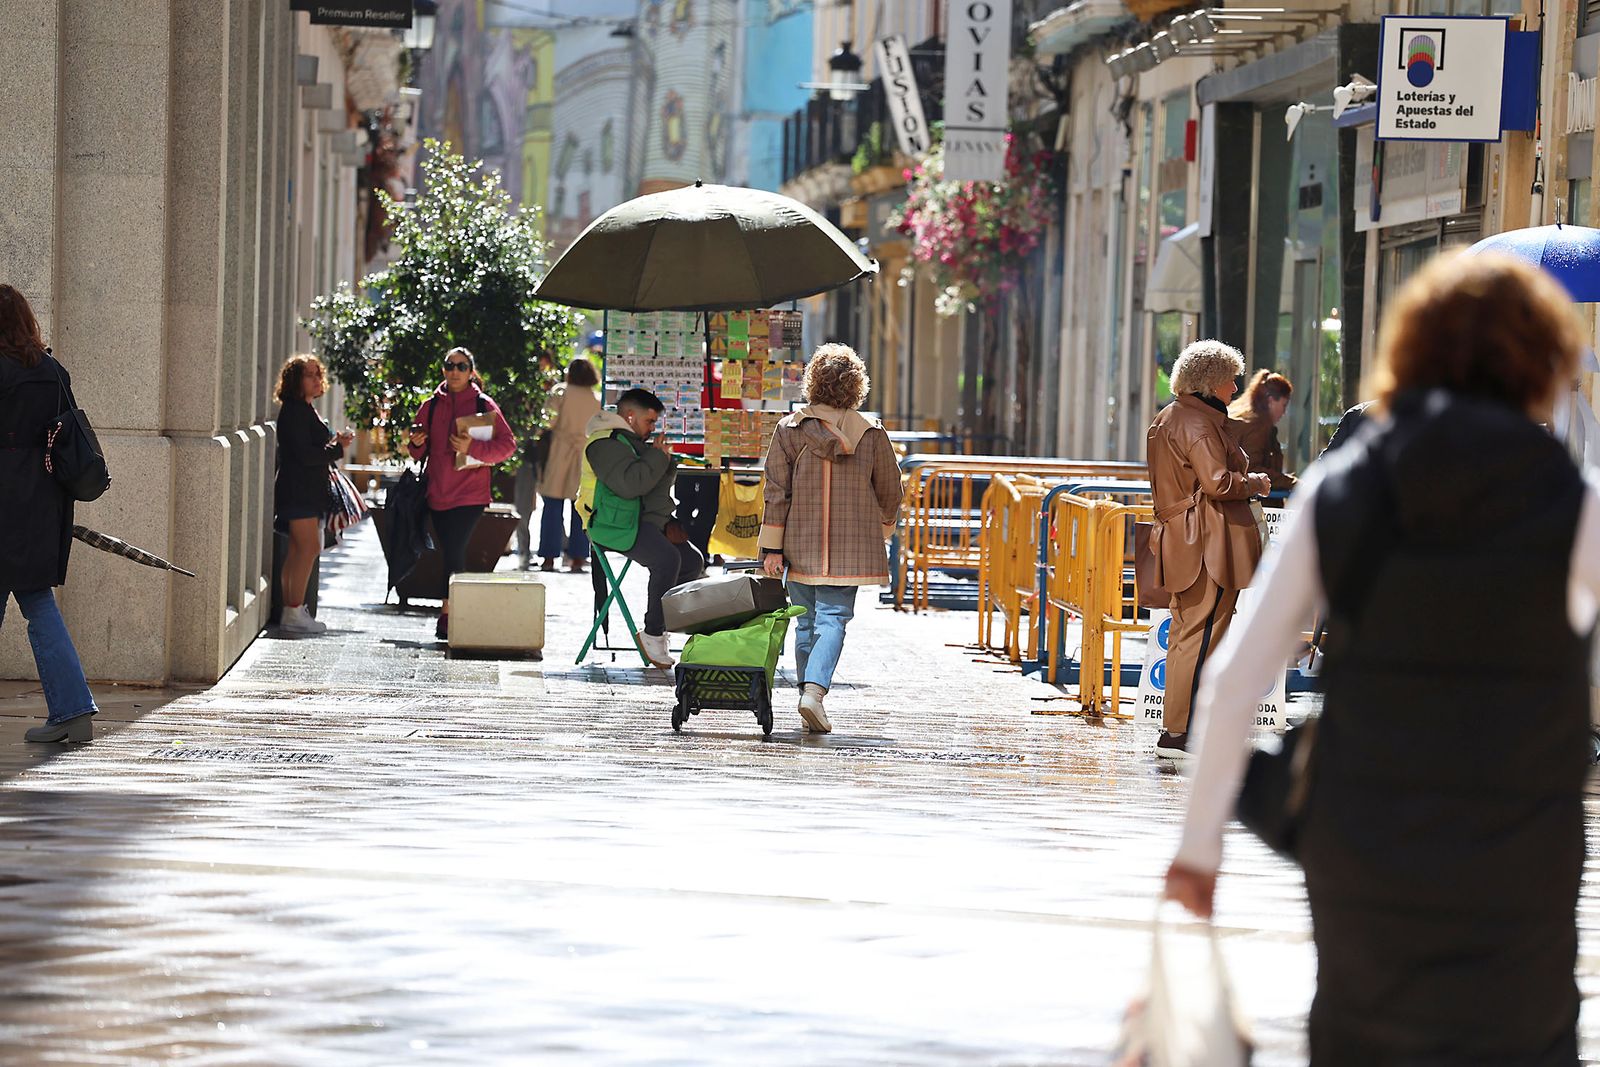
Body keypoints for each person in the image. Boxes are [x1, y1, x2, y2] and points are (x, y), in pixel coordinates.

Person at [1166, 253, 1594, 1063]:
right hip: (1523, 842)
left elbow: (1233, 685)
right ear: (1541, 363)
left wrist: (1197, 855)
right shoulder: (1576, 503)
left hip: (1365, 835)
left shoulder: (1345, 488)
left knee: (1366, 1031)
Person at [760, 344, 903, 734]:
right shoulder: (872, 433)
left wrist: (771, 548)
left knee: (805, 623)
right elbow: (890, 491)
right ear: (856, 385)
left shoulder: (789, 429)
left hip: (799, 541)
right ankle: (814, 694)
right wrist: (882, 529)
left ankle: (808, 694)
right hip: (852, 544)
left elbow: (776, 491)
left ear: (813, 383)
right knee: (834, 619)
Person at [1145, 340, 1270, 760]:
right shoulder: (1198, 424)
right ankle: (1182, 734)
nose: (1235, 389)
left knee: (1189, 635)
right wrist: (1256, 484)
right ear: (1212, 382)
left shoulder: (1172, 417)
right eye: (1231, 381)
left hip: (1186, 539)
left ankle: (1178, 730)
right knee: (1201, 639)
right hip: (1206, 544)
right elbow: (1218, 483)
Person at [0, 285, 99, 743]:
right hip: (42, 506)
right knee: (38, 603)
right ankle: (74, 710)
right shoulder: (53, 372)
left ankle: (73, 710)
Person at [579, 387, 704, 669]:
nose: (652, 429)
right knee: (667, 559)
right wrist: (659, 457)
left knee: (691, 561)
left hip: (634, 520)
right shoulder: (604, 443)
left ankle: (661, 625)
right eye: (649, 422)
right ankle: (653, 632)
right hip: (609, 525)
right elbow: (632, 485)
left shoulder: (628, 441)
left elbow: (648, 487)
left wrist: (666, 520)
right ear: (631, 416)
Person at [406, 347, 517, 640]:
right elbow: (417, 451)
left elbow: (508, 445)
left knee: (454, 550)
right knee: (449, 552)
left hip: (471, 495)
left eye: (461, 366)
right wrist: (416, 441)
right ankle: (455, 609)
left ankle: (447, 614)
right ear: (443, 369)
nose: (454, 371)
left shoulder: (483, 403)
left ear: (471, 372)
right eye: (449, 365)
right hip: (437, 492)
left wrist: (473, 448)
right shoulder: (430, 405)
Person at [273, 354, 354, 634]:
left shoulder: (304, 409)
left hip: (302, 489)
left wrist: (335, 443)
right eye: (310, 374)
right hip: (299, 490)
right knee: (307, 549)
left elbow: (309, 450)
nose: (318, 379)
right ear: (295, 379)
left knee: (300, 549)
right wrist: (337, 449)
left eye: (319, 374)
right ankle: (294, 610)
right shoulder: (295, 410)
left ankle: (292, 610)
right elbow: (305, 455)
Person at [536, 356, 601, 573]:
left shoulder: (560, 391)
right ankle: (578, 557)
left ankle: (548, 557)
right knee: (580, 507)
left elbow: (548, 421)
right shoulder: (596, 398)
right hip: (585, 455)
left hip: (559, 451)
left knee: (552, 506)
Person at [513, 349, 560, 569]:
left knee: (543, 504)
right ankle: (524, 550)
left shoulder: (554, 390)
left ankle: (554, 547)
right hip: (526, 453)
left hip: (545, 454)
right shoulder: (522, 390)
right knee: (523, 505)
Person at [1227, 369, 1296, 491]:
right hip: (1254, 501)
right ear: (1270, 401)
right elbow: (1253, 469)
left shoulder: (1245, 420)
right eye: (1283, 405)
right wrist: (1292, 482)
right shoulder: (1257, 428)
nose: (1284, 412)